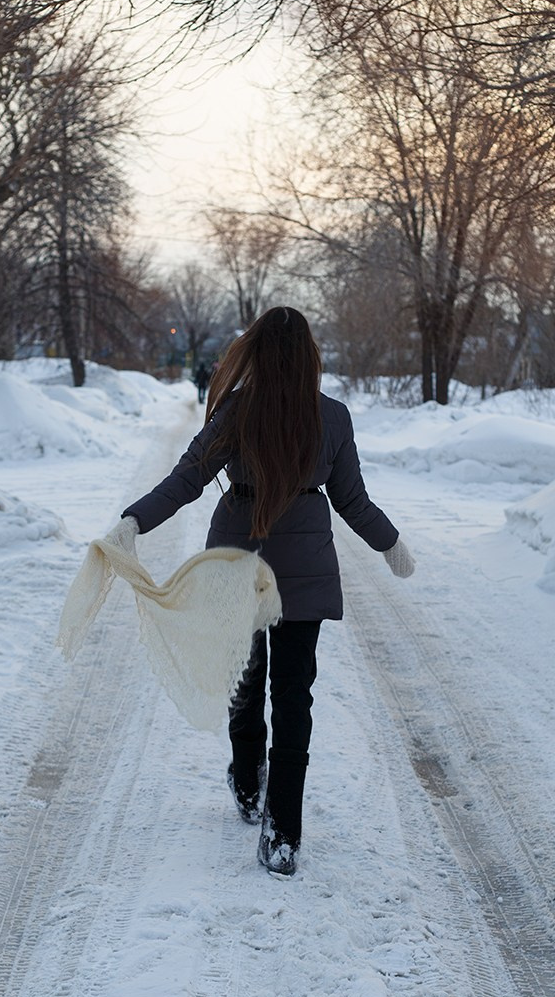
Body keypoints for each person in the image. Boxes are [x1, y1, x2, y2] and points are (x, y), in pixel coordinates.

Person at [107, 307, 414, 876]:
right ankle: (283, 834)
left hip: (237, 564)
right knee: (293, 697)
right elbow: (351, 500)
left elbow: (188, 479)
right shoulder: (332, 417)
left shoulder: (235, 409)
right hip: (302, 565)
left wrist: (134, 521)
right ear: (309, 357)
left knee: (246, 685)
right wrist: (390, 544)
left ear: (257, 353)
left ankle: (248, 784)